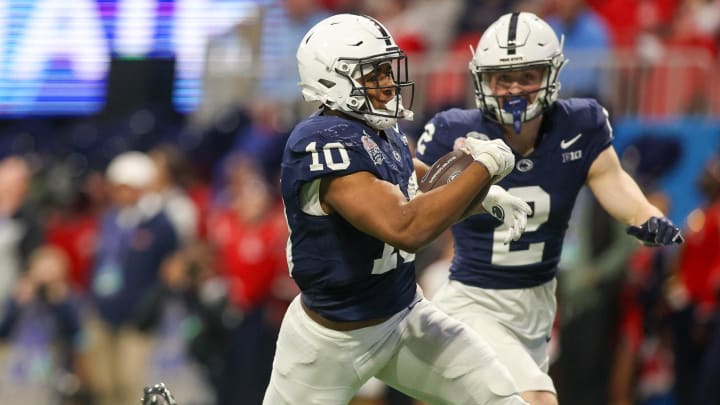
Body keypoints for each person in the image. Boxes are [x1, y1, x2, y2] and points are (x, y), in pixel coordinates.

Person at [414, 11, 684, 405]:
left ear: (551, 74)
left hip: (538, 304)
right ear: (482, 80)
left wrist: (645, 216)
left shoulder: (580, 124)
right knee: (536, 400)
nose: (513, 88)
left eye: (527, 75)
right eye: (502, 77)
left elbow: (610, 178)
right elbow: (419, 192)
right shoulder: (454, 130)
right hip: (474, 298)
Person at [263, 13, 531, 405]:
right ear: (331, 79)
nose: (388, 83)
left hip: (404, 316)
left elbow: (417, 185)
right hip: (328, 344)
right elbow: (406, 226)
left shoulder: (379, 128)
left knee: (502, 399)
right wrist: (484, 168)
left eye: (387, 69)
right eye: (373, 74)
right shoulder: (322, 143)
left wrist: (481, 197)